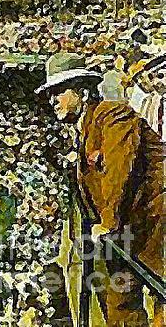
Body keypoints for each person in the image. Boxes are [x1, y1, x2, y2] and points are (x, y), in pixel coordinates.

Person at [36, 53, 164, 325]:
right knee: (119, 306)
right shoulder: (85, 129)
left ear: (81, 91)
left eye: (58, 92)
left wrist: (107, 222)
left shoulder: (112, 115)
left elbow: (120, 172)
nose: (52, 100)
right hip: (127, 234)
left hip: (155, 228)